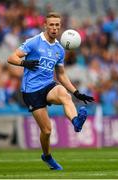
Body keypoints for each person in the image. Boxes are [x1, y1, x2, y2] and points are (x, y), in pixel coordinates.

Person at [7, 12, 94, 170]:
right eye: (51, 25)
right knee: (47, 131)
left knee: (64, 94)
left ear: (60, 28)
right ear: (45, 26)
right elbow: (11, 57)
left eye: (57, 25)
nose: (54, 28)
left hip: (48, 85)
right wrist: (24, 63)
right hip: (31, 90)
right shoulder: (34, 42)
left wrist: (77, 92)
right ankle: (47, 156)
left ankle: (76, 122)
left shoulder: (60, 50)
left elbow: (61, 74)